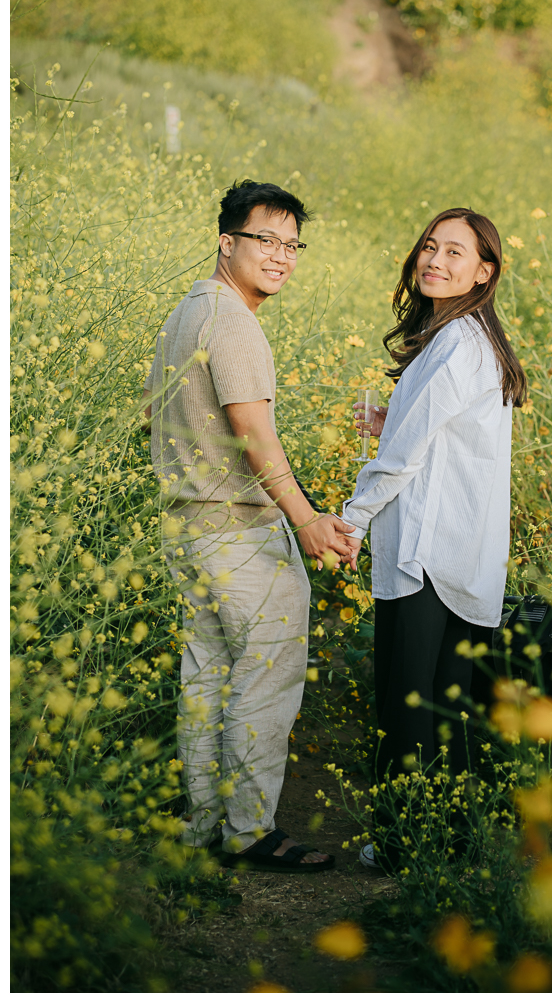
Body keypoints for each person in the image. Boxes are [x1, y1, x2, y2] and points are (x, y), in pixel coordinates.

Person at [141, 179, 355, 872]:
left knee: (207, 675)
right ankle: (250, 830)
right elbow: (254, 435)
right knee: (263, 679)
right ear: (226, 241)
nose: (282, 255)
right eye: (266, 240)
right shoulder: (233, 323)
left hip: (188, 528)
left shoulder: (185, 313)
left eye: (293, 244)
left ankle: (205, 824)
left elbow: (158, 421)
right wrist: (307, 520)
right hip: (240, 534)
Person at [340, 208, 528, 870]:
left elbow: (408, 456)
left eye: (454, 253)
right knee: (449, 707)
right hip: (465, 557)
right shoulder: (470, 337)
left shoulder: (453, 343)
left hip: (425, 554)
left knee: (406, 701)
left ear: (485, 271)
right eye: (429, 246)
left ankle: (397, 844)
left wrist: (350, 521)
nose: (434, 261)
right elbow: (449, 433)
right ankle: (452, 840)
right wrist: (394, 416)